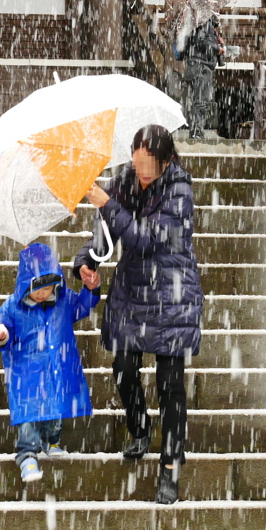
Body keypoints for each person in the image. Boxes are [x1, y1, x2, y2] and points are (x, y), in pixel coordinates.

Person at [74, 124, 203, 504]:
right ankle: (139, 426)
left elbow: (145, 239)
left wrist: (105, 203)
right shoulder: (126, 180)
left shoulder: (180, 191)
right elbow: (106, 232)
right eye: (137, 160)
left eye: (149, 163)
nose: (141, 169)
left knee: (170, 384)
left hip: (172, 295)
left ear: (166, 162)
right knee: (124, 367)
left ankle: (170, 468)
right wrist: (87, 261)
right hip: (133, 291)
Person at [0, 242, 102, 483]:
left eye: (47, 287)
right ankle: (27, 455)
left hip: (56, 365)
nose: (41, 293)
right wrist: (0, 335)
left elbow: (82, 307)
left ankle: (52, 440)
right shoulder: (13, 306)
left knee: (54, 407)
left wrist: (90, 289)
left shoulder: (63, 300)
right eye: (35, 288)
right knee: (28, 414)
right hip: (26, 369)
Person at [174, 0, 225, 139]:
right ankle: (196, 131)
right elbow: (202, 43)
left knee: (198, 99)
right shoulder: (204, 24)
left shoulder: (197, 24)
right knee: (201, 100)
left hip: (194, 65)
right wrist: (217, 49)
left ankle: (196, 129)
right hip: (200, 67)